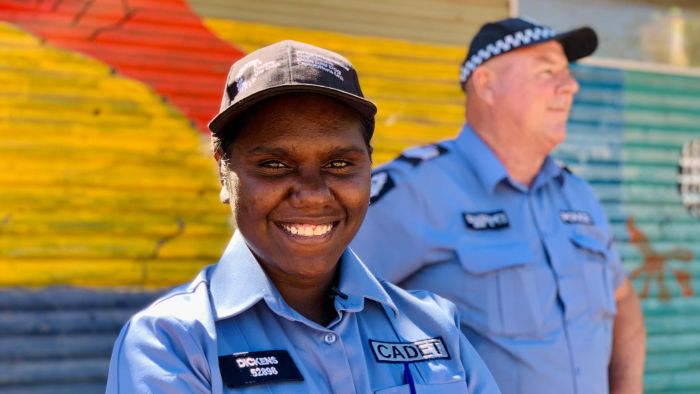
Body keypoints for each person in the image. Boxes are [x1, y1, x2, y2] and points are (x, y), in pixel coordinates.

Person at [105, 40, 500, 393]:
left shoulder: (433, 325)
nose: (312, 193)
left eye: (340, 163)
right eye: (275, 164)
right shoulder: (173, 343)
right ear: (224, 172)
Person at [352, 18, 646, 394]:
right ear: (487, 86)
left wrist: (627, 386)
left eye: (568, 73)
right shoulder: (417, 190)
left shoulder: (577, 195)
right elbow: (320, 314)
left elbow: (623, 302)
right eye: (547, 71)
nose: (570, 85)